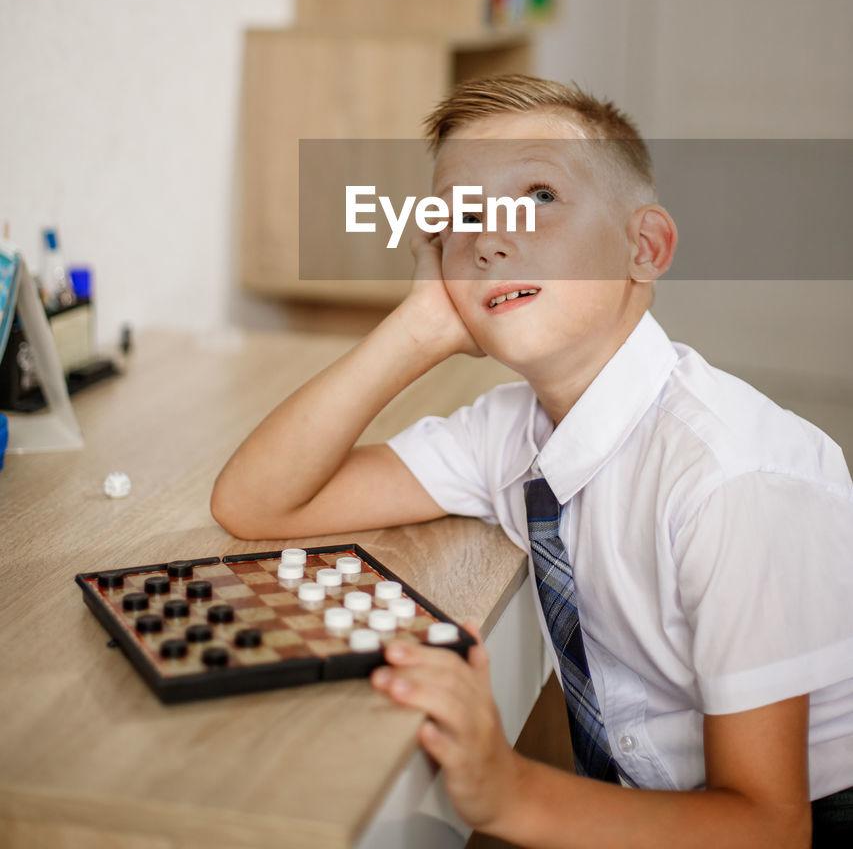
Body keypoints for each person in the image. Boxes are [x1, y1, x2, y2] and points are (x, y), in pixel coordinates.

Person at [211, 74, 853, 849]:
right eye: (463, 218)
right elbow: (258, 503)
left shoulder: (731, 482)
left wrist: (510, 792)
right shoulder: (511, 432)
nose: (489, 238)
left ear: (642, 248)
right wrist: (419, 326)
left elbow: (768, 828)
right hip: (658, 803)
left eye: (538, 195)